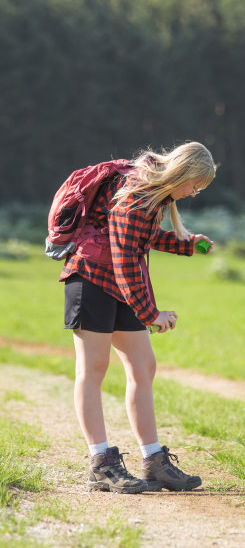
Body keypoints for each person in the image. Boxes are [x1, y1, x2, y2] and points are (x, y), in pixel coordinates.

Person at [59, 141, 216, 494]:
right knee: (93, 368)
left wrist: (187, 245)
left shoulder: (153, 196)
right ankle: (100, 462)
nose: (193, 193)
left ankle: (153, 462)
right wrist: (151, 314)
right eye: (195, 185)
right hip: (90, 278)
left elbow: (140, 238)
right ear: (183, 173)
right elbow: (125, 256)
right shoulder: (135, 193)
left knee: (143, 366)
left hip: (116, 282)